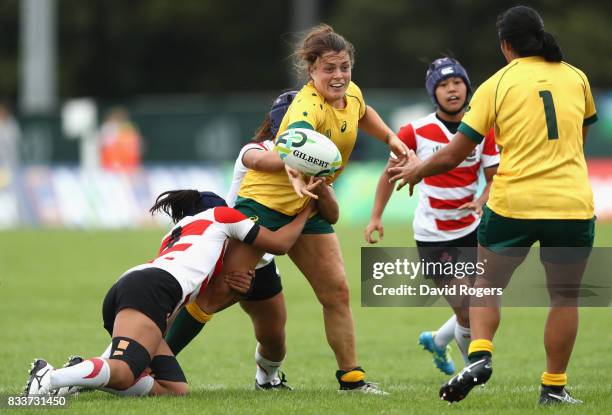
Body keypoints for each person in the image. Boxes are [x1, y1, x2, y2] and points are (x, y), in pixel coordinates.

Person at [388, 6, 597, 405]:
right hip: (570, 203)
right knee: (565, 298)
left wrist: (417, 170)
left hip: (512, 204)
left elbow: (452, 155)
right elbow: (580, 139)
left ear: (506, 46)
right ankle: (553, 386)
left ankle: (480, 355)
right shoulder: (577, 78)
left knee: (486, 285)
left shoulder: (495, 86)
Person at [206, 23, 408, 394]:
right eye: (329, 68)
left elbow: (363, 114)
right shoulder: (305, 107)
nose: (339, 75)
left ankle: (352, 379)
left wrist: (391, 138)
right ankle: (146, 352)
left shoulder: (351, 94)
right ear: (311, 71)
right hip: (265, 206)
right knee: (221, 291)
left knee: (337, 293)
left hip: (307, 205)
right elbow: (291, 144)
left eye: (344, 67)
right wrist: (295, 171)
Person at [24, 189, 317, 397]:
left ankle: (85, 373)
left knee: (175, 389)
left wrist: (237, 288)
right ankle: (49, 377)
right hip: (151, 290)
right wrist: (307, 210)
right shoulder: (221, 215)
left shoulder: (179, 234)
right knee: (126, 372)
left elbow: (201, 298)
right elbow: (278, 244)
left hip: (141, 286)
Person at [165, 90, 340, 390]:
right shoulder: (256, 150)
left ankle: (267, 379)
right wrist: (294, 160)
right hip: (230, 251)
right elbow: (263, 161)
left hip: (264, 260)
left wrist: (321, 188)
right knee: (196, 306)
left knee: (274, 336)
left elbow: (333, 215)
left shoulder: (315, 160)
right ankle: (144, 363)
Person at [364, 57, 498, 375]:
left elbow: (495, 178)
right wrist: (375, 217)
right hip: (433, 236)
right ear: (432, 93)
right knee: (468, 312)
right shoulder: (415, 131)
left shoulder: (483, 129)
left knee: (483, 303)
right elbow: (388, 175)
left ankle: (438, 341)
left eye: (457, 83)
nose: (452, 90)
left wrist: (481, 201)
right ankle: (474, 373)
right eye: (443, 85)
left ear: (468, 87)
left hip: (473, 229)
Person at [99, 107, 142, 173]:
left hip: (129, 166)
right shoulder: (108, 128)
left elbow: (136, 146)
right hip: (111, 167)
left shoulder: (128, 128)